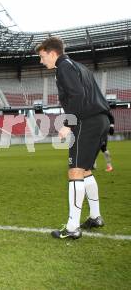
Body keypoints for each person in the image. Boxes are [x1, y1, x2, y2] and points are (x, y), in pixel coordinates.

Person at [36, 37, 110, 239]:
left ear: (52, 53)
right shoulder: (79, 66)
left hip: (87, 122)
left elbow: (77, 95)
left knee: (75, 171)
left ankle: (72, 228)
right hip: (101, 120)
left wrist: (68, 124)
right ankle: (95, 217)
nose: (41, 61)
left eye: (42, 57)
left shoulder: (63, 67)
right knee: (85, 170)